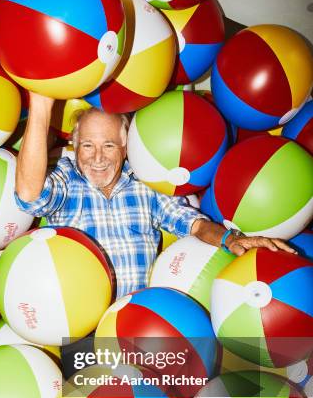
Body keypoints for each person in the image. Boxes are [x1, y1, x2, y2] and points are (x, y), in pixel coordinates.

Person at [15, 93, 296, 298]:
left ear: (126, 148)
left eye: (109, 145)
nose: (97, 157)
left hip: (137, 323)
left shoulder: (145, 185)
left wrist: (232, 239)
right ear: (75, 148)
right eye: (87, 145)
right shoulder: (67, 178)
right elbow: (30, 196)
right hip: (75, 325)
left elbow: (192, 223)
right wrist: (41, 104)